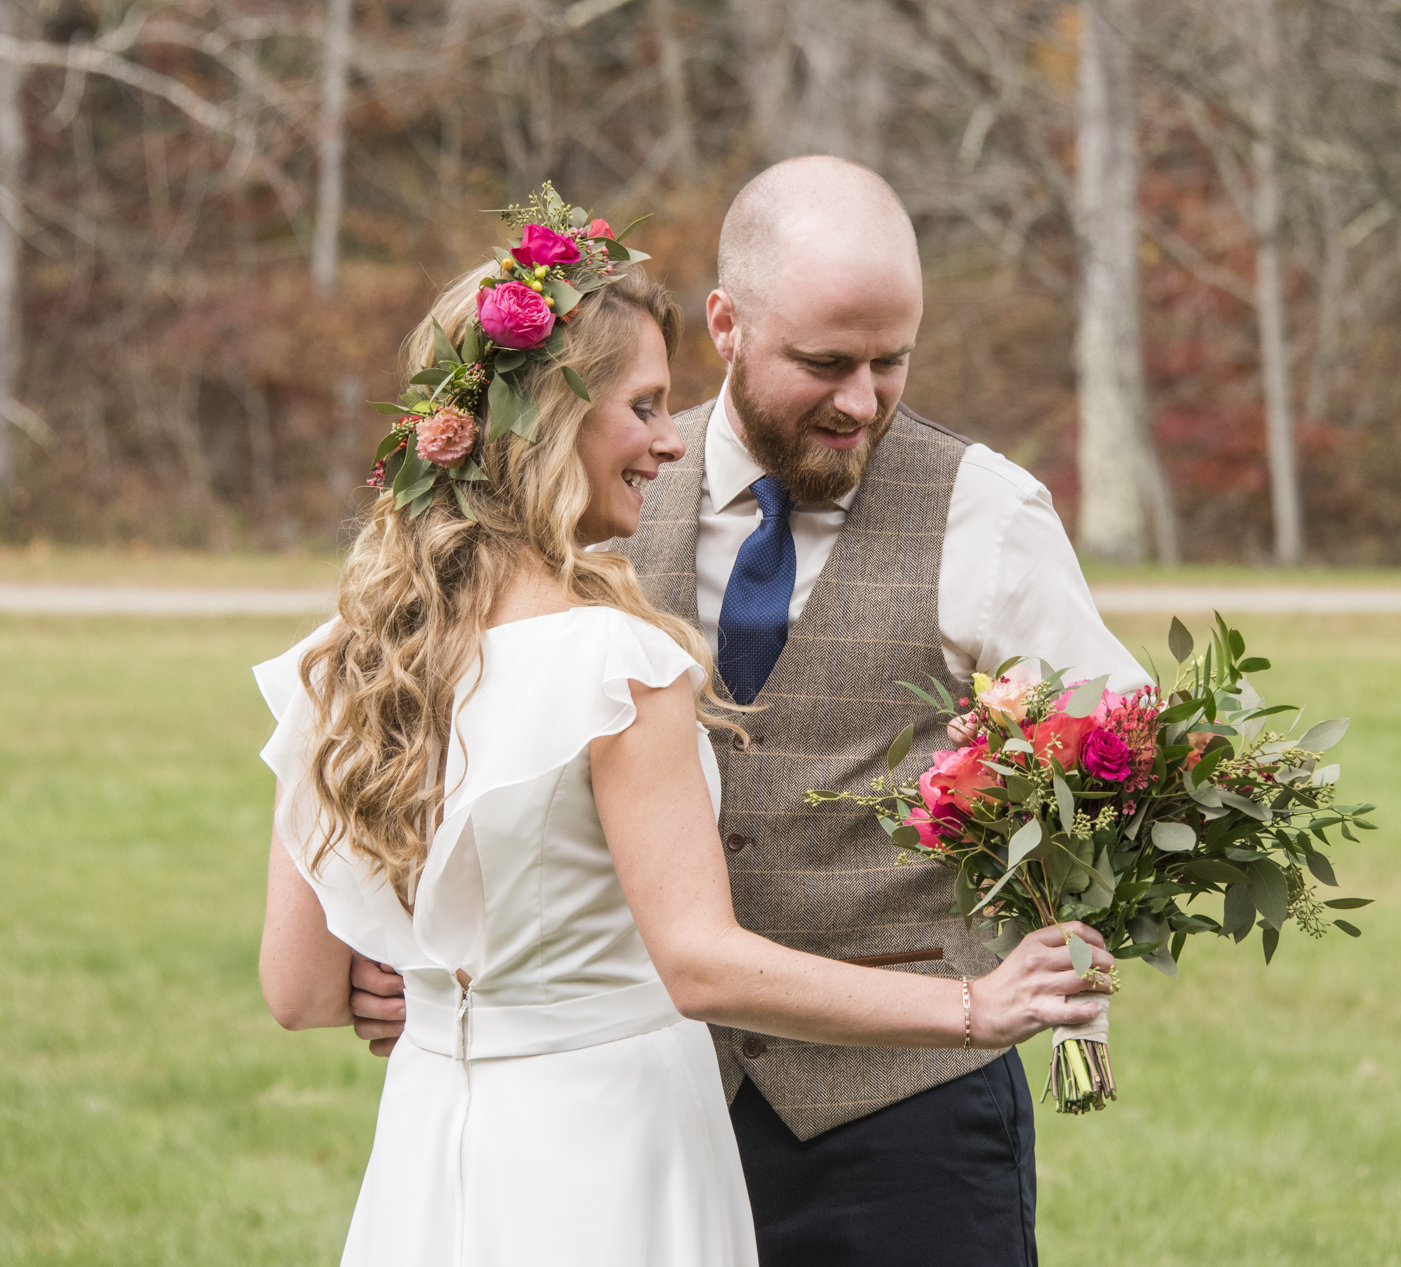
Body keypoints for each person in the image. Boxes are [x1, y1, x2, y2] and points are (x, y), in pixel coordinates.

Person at [256, 205, 1116, 1267]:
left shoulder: (346, 654)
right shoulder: (619, 661)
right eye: (645, 407)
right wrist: (978, 1005)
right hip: (619, 1139)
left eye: (889, 360)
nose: (670, 436)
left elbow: (297, 991)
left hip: (440, 1147)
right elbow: (699, 963)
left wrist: (429, 988)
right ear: (548, 421)